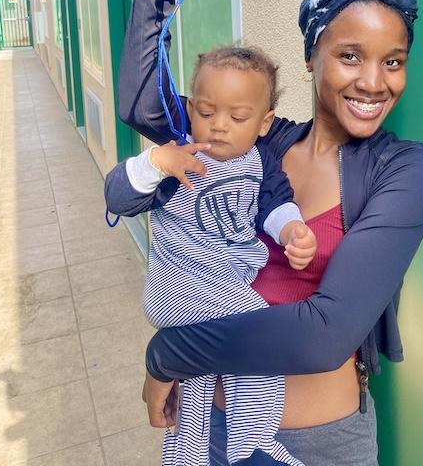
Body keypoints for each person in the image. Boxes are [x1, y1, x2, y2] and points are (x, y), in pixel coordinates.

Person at [110, 0, 423, 466]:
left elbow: (323, 335)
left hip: (316, 446)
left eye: (393, 61)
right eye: (351, 56)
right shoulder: (259, 138)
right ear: (312, 57)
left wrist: (167, 355)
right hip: (206, 427)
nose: (374, 81)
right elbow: (140, 104)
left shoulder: (406, 172)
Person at [105, 48, 317, 464]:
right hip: (178, 285)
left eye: (237, 117)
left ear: (264, 123)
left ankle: (187, 455)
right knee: (258, 328)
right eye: (205, 112)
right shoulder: (181, 160)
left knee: (199, 378)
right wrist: (154, 162)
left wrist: (292, 231)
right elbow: (116, 196)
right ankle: (253, 442)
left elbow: (275, 204)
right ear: (190, 109)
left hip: (221, 287)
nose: (219, 126)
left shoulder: (261, 162)